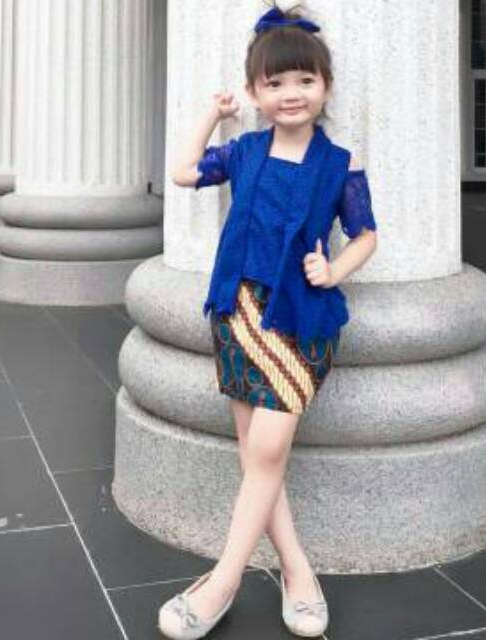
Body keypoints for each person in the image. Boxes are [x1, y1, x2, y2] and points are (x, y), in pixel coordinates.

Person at [158, 3, 378, 638]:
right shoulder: (244, 150)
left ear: (325, 86)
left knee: (268, 448)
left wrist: (334, 270)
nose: (291, 93)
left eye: (305, 80)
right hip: (236, 312)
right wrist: (212, 115)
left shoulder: (340, 164)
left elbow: (366, 234)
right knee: (261, 458)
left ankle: (221, 581)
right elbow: (182, 173)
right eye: (275, 82)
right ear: (255, 92)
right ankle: (298, 572)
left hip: (300, 320)